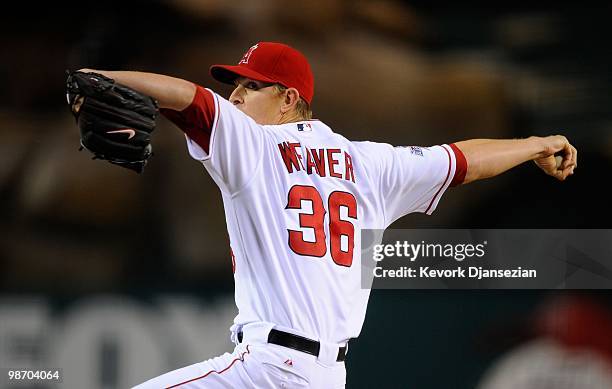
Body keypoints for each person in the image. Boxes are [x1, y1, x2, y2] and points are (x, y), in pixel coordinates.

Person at [80, 41, 577, 388]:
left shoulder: (255, 145)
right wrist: (534, 144)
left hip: (268, 369)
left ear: (288, 99)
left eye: (250, 87)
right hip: (327, 377)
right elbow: (462, 160)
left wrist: (100, 79)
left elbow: (187, 99)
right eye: (233, 88)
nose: (235, 97)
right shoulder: (373, 163)